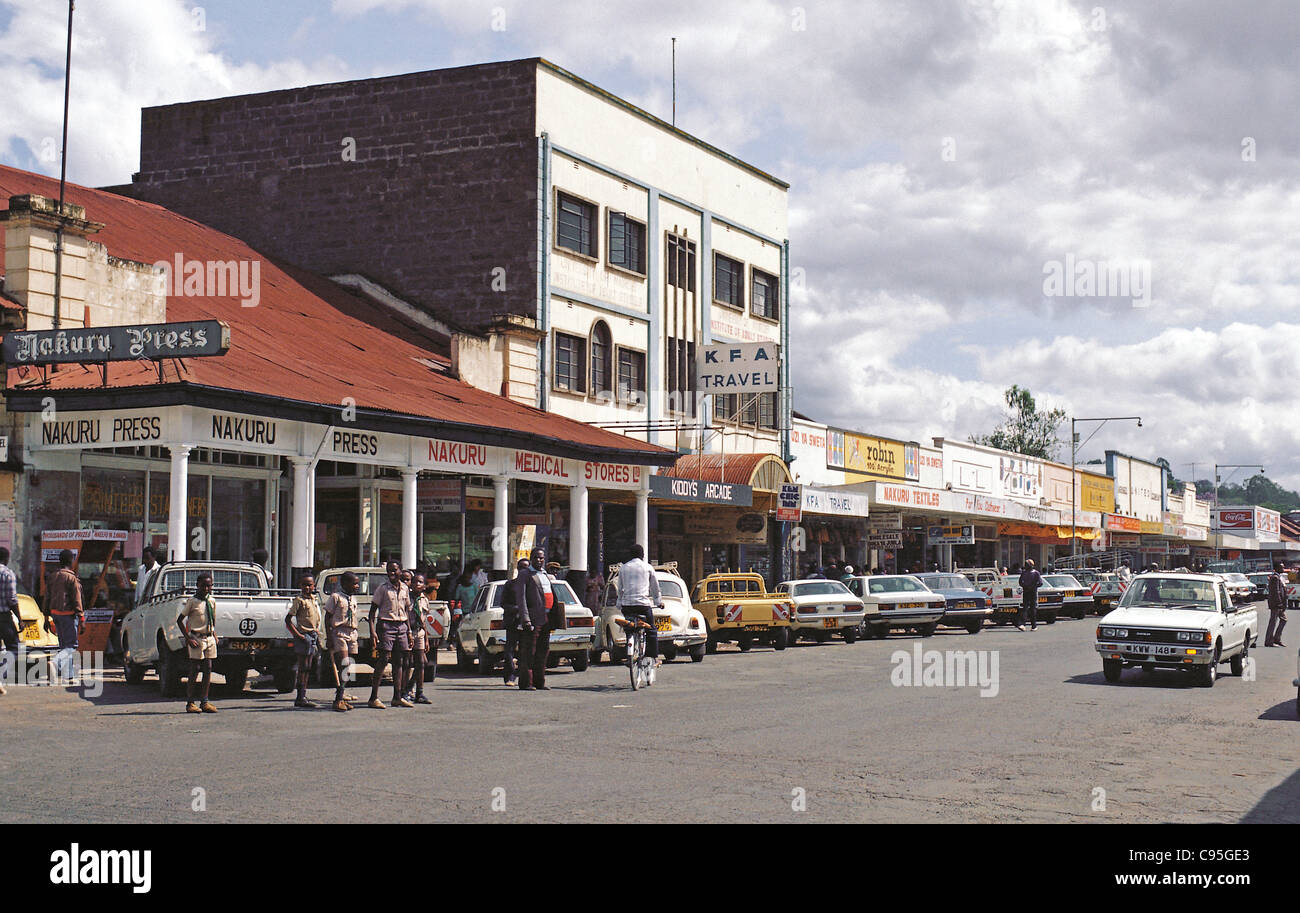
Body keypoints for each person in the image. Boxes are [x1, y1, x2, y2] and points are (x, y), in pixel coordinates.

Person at [367, 560, 413, 709]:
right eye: (389, 571)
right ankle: (373, 697)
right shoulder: (383, 589)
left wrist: (409, 631)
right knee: (384, 659)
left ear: (400, 571)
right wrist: (373, 632)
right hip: (386, 625)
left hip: (402, 626)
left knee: (400, 661)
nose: (391, 573)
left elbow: (407, 610)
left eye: (394, 570)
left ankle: (397, 696)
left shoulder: (405, 588)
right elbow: (372, 612)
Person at [177, 573, 218, 713]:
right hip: (196, 638)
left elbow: (212, 619)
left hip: (209, 638)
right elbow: (179, 620)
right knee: (194, 669)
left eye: (209, 586)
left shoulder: (211, 601)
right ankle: (190, 702)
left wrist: (214, 634)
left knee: (208, 668)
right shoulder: (192, 602)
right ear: (197, 586)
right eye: (203, 586)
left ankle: (205, 701)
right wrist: (188, 638)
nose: (206, 588)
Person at [511, 550, 550, 691]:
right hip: (532, 619)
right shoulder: (525, 574)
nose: (540, 560)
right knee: (529, 652)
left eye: (542, 558)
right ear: (531, 559)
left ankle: (539, 682)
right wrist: (526, 619)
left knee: (542, 651)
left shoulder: (545, 574)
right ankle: (526, 682)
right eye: (537, 558)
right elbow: (521, 598)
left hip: (545, 618)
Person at [617, 543, 662, 666]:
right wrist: (658, 602)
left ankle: (629, 653)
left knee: (629, 628)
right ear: (642, 555)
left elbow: (620, 588)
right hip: (643, 605)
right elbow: (655, 587)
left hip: (627, 606)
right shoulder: (647, 568)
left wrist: (619, 603)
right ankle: (652, 656)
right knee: (651, 630)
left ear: (630, 555)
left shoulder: (623, 568)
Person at [284, 574, 323, 708]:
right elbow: (288, 620)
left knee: (308, 667)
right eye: (304, 585)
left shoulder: (314, 599)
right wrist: (298, 635)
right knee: (303, 666)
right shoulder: (299, 600)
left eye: (309, 585)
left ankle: (303, 695)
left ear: (314, 586)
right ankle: (300, 697)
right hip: (304, 635)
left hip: (313, 635)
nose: (307, 588)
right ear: (300, 586)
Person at [324, 571, 360, 711]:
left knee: (349, 668)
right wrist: (329, 637)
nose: (357, 586)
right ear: (345, 584)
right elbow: (328, 617)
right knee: (344, 664)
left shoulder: (353, 599)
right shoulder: (336, 597)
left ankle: (342, 694)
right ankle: (337, 699)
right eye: (354, 583)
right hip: (339, 633)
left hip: (352, 633)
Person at [44, 549, 84, 654]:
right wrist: (82, 619)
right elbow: (77, 600)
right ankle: (67, 670)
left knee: (63, 645)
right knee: (71, 646)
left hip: (55, 615)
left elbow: (47, 598)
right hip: (68, 616)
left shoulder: (52, 576)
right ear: (71, 561)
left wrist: (46, 618)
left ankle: (63, 669)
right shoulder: (71, 578)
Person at [500, 558, 531, 687]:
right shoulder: (510, 585)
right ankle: (510, 676)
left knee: (525, 650)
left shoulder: (531, 585)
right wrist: (517, 608)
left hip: (526, 622)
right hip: (512, 621)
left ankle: (523, 677)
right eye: (522, 567)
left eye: (526, 568)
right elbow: (503, 603)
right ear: (517, 569)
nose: (524, 570)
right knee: (509, 650)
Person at [404, 572, 432, 704]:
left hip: (419, 632)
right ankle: (404, 691)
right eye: (414, 581)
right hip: (407, 632)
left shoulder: (424, 600)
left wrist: (426, 638)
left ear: (425, 586)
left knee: (422, 662)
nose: (416, 584)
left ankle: (419, 692)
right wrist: (408, 632)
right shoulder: (406, 598)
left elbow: (423, 621)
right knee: (407, 663)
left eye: (420, 582)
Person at [0, 547, 20, 695]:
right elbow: (12, 599)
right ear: (6, 559)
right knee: (13, 647)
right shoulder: (8, 574)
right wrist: (20, 618)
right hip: (3, 617)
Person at [1265, 563, 1288, 648]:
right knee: (1273, 622)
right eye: (1282, 567)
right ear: (1277, 568)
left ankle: (1277, 639)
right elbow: (1276, 592)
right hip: (1276, 604)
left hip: (1279, 604)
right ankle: (1269, 641)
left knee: (1284, 620)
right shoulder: (1275, 578)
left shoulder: (1279, 577)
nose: (1283, 568)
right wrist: (1279, 603)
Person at [1017, 559, 1044, 632]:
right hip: (1026, 592)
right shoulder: (1024, 573)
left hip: (1033, 592)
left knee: (1033, 609)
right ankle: (1022, 624)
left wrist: (1033, 586)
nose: (1026, 566)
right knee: (1025, 608)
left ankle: (1034, 625)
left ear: (1031, 565)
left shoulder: (1036, 573)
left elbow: (1040, 583)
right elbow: (1020, 582)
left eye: (1027, 564)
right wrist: (1025, 586)